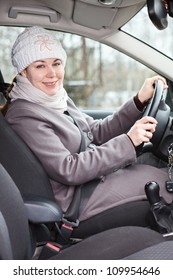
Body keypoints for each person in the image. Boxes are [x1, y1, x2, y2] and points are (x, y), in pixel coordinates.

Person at [5, 26, 173, 231]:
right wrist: (129, 141)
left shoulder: (56, 99)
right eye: (40, 66)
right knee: (167, 182)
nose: (52, 74)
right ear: (24, 71)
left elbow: (95, 132)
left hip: (93, 179)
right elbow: (69, 169)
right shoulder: (24, 114)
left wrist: (138, 101)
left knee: (155, 163)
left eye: (56, 63)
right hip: (79, 198)